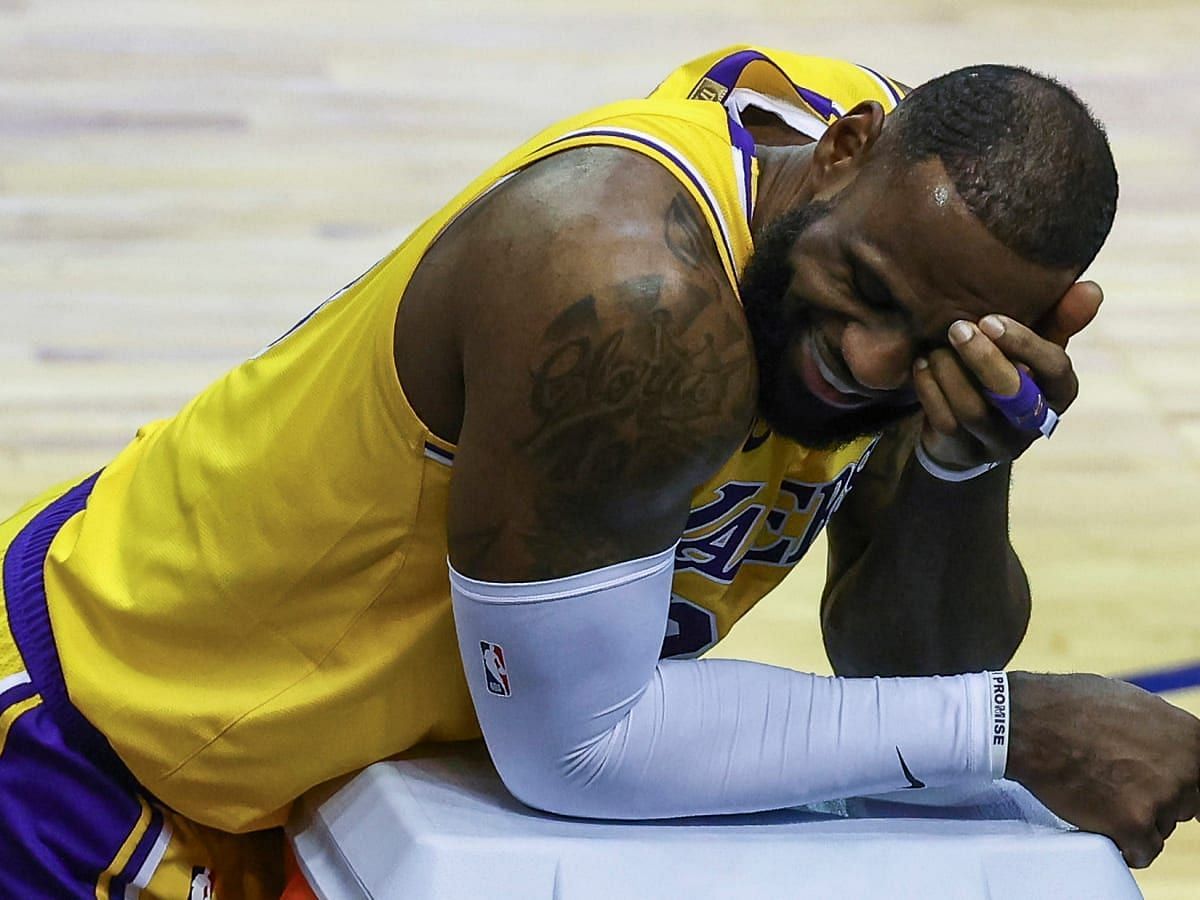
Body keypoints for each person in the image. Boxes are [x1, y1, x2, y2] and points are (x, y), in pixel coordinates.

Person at [1, 45, 1197, 898]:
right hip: (105, 752)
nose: (872, 357)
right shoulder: (635, 297)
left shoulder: (913, 236)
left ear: (1056, 314)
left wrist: (959, 462)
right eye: (866, 296)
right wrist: (1014, 728)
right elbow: (578, 747)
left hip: (328, 793)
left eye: (934, 343)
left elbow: (903, 662)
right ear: (843, 153)